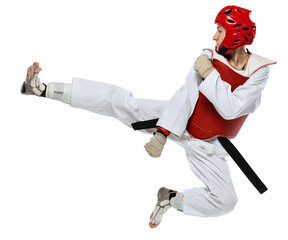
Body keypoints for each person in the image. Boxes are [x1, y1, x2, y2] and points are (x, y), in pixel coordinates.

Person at [21, 5, 276, 229]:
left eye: (220, 30)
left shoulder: (259, 71)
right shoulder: (207, 57)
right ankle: (43, 90)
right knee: (124, 104)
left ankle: (170, 198)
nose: (214, 36)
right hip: (182, 120)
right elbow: (186, 95)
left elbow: (231, 109)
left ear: (235, 33)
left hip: (209, 145)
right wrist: (163, 133)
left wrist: (210, 76)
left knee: (227, 201)